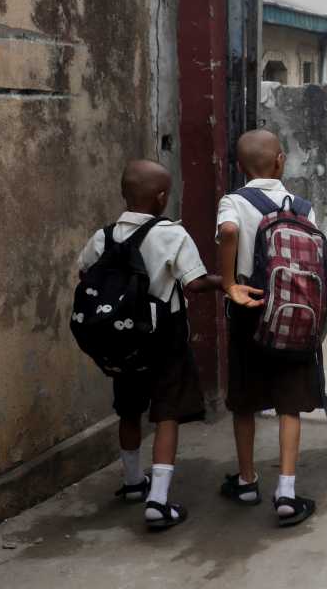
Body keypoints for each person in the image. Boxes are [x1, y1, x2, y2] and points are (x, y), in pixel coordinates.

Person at [78, 160, 221, 530]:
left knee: (128, 409)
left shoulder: (103, 236)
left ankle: (131, 482)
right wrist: (224, 282)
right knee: (166, 414)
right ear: (161, 198)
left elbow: (85, 273)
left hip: (121, 343)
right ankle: (158, 500)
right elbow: (193, 284)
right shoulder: (172, 235)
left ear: (124, 195)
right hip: (163, 340)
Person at [216, 129, 322, 527]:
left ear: (241, 167)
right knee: (289, 404)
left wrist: (228, 285)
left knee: (245, 399)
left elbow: (227, 232)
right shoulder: (303, 206)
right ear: (281, 160)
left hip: (250, 307)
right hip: (295, 314)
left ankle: (246, 480)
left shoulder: (234, 201)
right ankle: (288, 491)